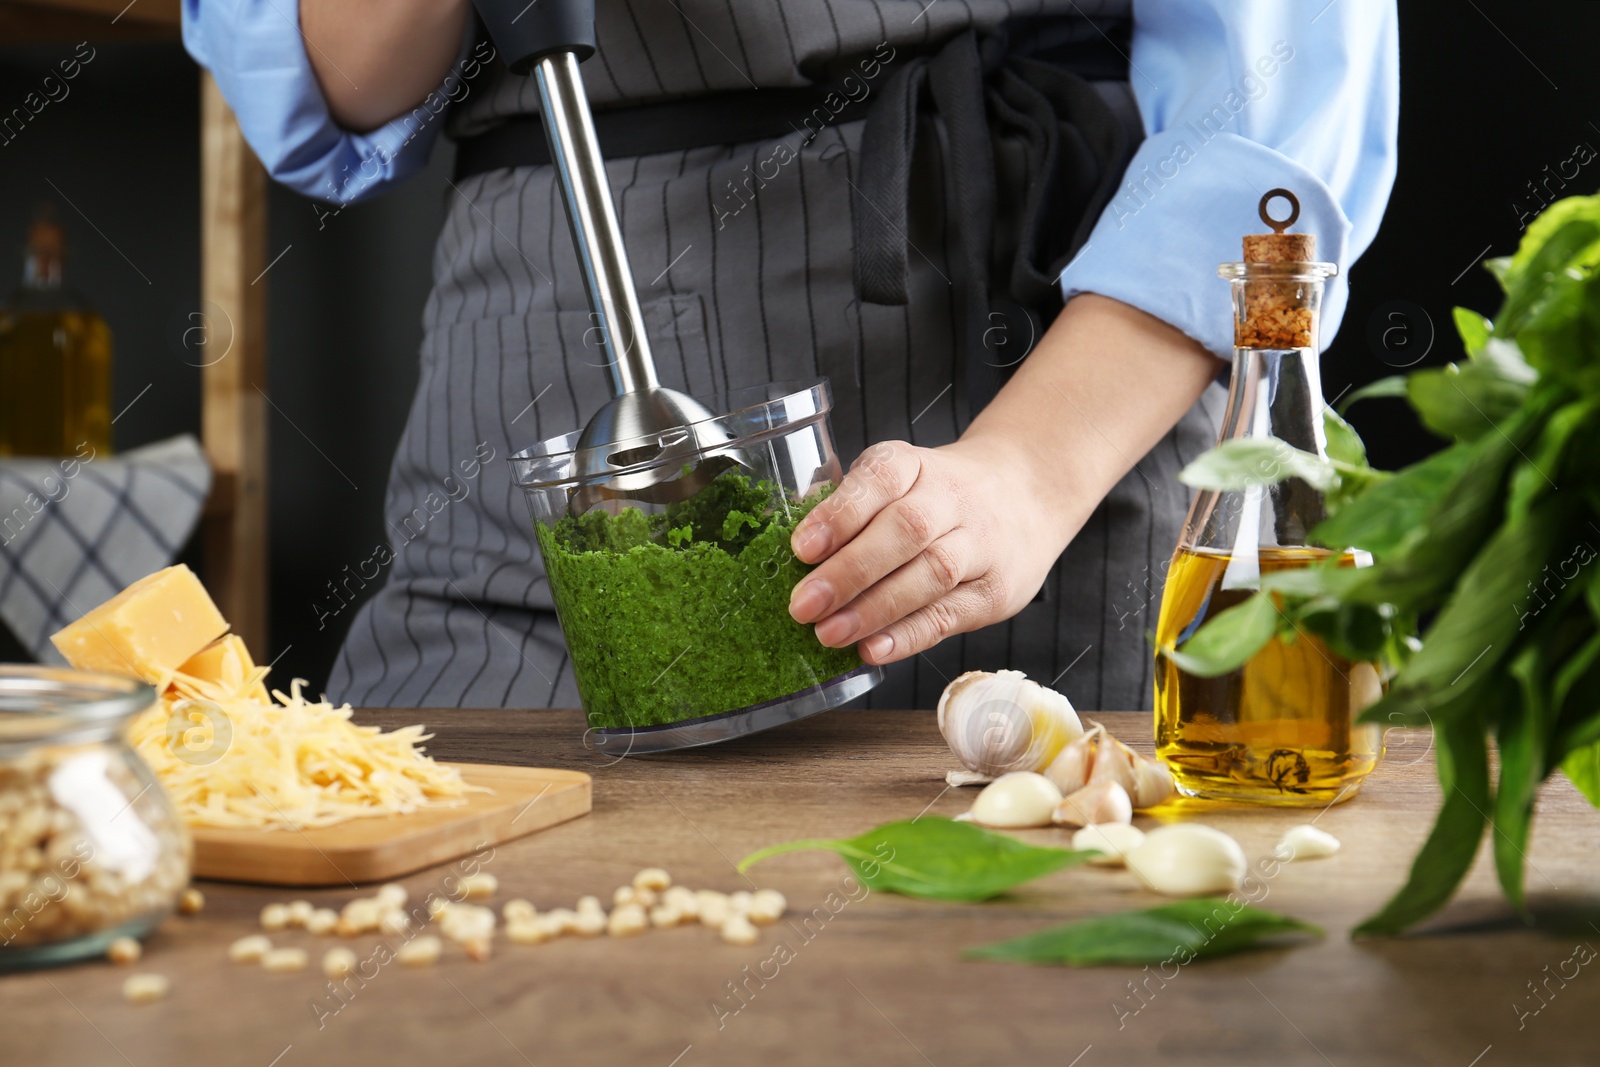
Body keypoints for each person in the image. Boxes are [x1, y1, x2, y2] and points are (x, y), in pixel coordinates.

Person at [183, 0, 1397, 711]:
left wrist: (1029, 475)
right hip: (537, 401)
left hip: (1059, 419)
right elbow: (324, 73)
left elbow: (1275, 123)